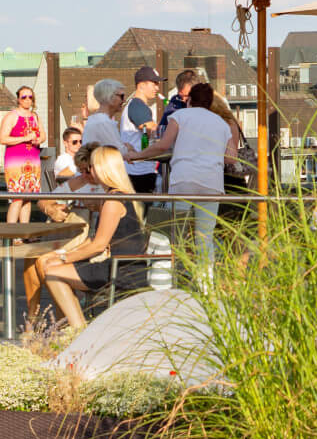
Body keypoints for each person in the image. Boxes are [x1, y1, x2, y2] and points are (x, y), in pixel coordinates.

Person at [27, 146, 148, 329]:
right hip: (124, 266)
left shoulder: (112, 200)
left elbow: (98, 245)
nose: (88, 172)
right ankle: (75, 328)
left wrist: (62, 257)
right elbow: (94, 241)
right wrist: (62, 255)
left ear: (101, 168)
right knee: (50, 266)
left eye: (91, 167)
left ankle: (77, 329)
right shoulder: (116, 195)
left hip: (121, 271)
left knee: (52, 271)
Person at [140, 81, 239, 284]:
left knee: (173, 234)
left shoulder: (180, 116)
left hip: (184, 180)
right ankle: (206, 286)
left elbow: (163, 146)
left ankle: (168, 282)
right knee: (205, 237)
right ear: (210, 102)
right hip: (212, 184)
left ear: (190, 100)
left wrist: (137, 155)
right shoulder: (221, 123)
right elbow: (231, 158)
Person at [0, 85, 44, 228]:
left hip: (33, 160)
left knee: (28, 198)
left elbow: (43, 135)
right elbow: (3, 139)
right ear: (18, 99)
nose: (27, 100)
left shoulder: (35, 116)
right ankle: (12, 233)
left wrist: (38, 140)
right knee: (17, 198)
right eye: (24, 97)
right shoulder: (12, 116)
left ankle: (24, 232)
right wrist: (25, 138)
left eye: (30, 97)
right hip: (16, 162)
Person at [123, 66, 166, 195]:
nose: (157, 88)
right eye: (154, 83)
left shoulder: (137, 105)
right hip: (139, 172)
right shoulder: (137, 105)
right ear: (141, 85)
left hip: (139, 169)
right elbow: (151, 129)